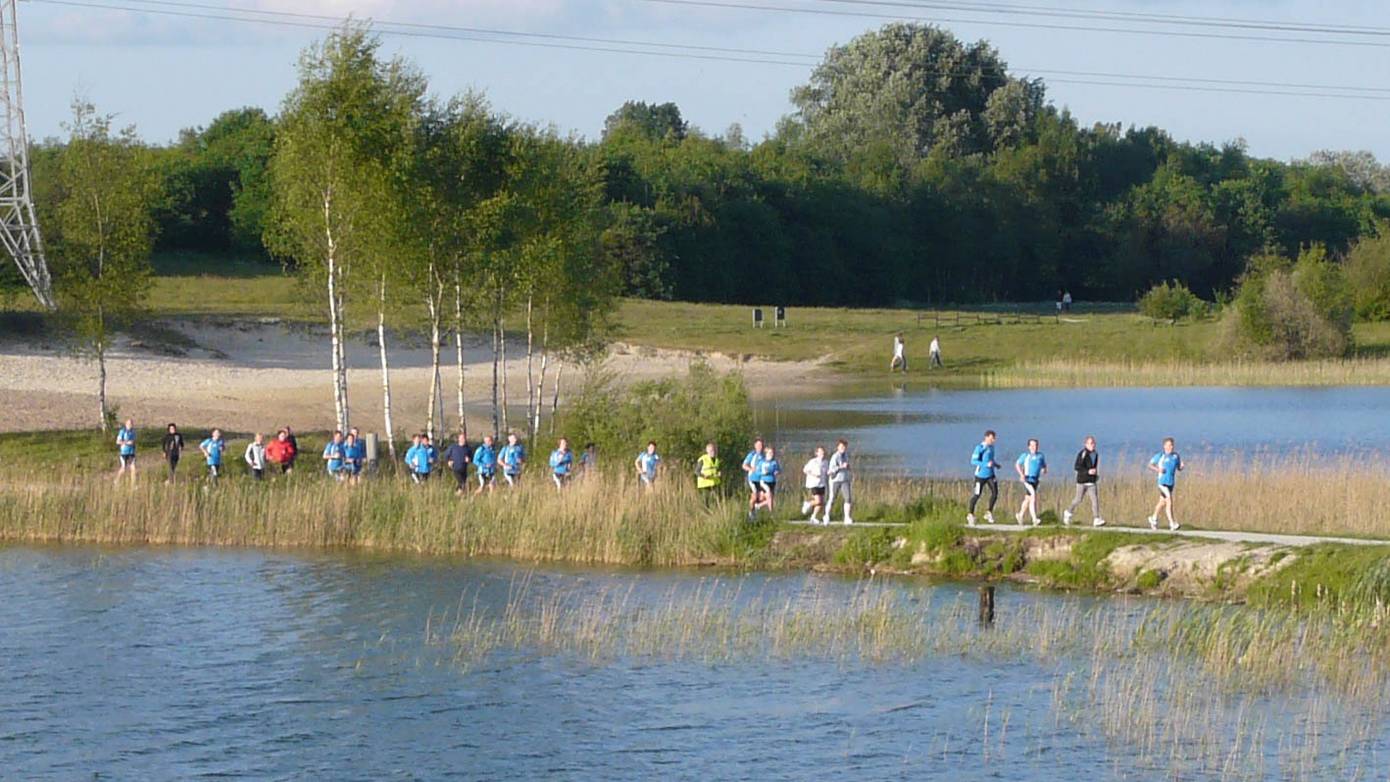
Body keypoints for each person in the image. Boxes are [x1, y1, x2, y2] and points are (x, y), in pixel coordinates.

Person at [1064, 436, 1104, 527]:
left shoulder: (1096, 454)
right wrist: (1088, 472)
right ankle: (1068, 512)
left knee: (1095, 500)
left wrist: (1095, 475)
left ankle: (1096, 518)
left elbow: (1094, 466)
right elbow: (1077, 467)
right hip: (1082, 481)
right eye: (1090, 443)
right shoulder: (1083, 454)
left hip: (1091, 482)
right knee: (1078, 499)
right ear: (1085, 444)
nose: (1092, 445)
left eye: (1093, 443)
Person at [1148, 438, 1184, 531]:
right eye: (1168, 445)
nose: (1170, 447)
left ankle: (1153, 518)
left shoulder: (1176, 456)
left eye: (1171, 445)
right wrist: (1158, 470)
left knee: (1162, 502)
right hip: (1162, 482)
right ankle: (1172, 523)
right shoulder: (1160, 456)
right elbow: (1150, 465)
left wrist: (1181, 467)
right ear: (1164, 446)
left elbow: (1178, 468)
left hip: (1170, 482)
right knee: (1169, 501)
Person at [967, 430, 1001, 526]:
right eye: (991, 438)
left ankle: (988, 512)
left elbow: (990, 459)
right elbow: (973, 461)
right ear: (986, 438)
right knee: (977, 494)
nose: (993, 440)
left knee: (995, 493)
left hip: (990, 475)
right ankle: (971, 514)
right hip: (980, 476)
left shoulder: (992, 447)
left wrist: (996, 464)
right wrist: (985, 464)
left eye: (994, 438)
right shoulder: (980, 448)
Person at [1014, 438, 1047, 526]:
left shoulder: (1040, 456)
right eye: (1032, 445)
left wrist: (1044, 469)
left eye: (1035, 445)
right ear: (1028, 447)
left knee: (1028, 499)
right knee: (1033, 496)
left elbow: (1043, 465)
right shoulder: (1025, 456)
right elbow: (1017, 464)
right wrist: (1021, 474)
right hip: (1027, 479)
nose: (1034, 447)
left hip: (1035, 480)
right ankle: (1034, 519)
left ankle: (1020, 515)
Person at [826, 439, 854, 525]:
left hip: (845, 479)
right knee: (832, 498)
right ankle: (826, 515)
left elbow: (847, 466)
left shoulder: (846, 455)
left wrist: (849, 468)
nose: (843, 448)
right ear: (838, 447)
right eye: (841, 447)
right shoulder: (835, 457)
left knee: (848, 498)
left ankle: (847, 517)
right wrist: (841, 466)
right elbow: (830, 470)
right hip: (835, 480)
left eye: (845, 447)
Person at [801, 446, 828, 524]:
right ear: (816, 453)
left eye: (823, 452)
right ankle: (808, 504)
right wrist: (813, 474)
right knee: (818, 500)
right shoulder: (813, 461)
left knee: (821, 502)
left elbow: (827, 471)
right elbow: (805, 470)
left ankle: (813, 517)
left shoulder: (825, 462)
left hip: (822, 483)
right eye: (820, 452)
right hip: (813, 483)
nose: (822, 453)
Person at [753, 445, 781, 514]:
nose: (771, 454)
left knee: (770, 499)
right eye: (769, 453)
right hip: (764, 481)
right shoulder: (762, 462)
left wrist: (777, 472)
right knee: (769, 497)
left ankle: (758, 506)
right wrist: (763, 473)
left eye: (772, 453)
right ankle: (772, 514)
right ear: (766, 453)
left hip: (772, 481)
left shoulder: (774, 462)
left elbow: (778, 470)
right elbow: (757, 472)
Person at [742, 438, 765, 517]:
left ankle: (756, 512)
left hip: (761, 479)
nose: (760, 447)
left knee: (762, 497)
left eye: (761, 445)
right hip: (752, 478)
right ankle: (751, 513)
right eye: (758, 445)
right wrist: (751, 469)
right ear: (755, 446)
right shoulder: (752, 454)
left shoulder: (764, 455)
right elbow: (744, 465)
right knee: (755, 496)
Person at [115, 418, 137, 484]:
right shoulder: (122, 431)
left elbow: (134, 441)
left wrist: (133, 444)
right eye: (129, 424)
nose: (130, 425)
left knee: (133, 468)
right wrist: (127, 442)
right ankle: (116, 480)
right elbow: (117, 442)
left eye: (131, 424)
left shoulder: (133, 432)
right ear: (126, 424)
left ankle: (133, 484)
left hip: (131, 452)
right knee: (123, 468)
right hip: (124, 453)